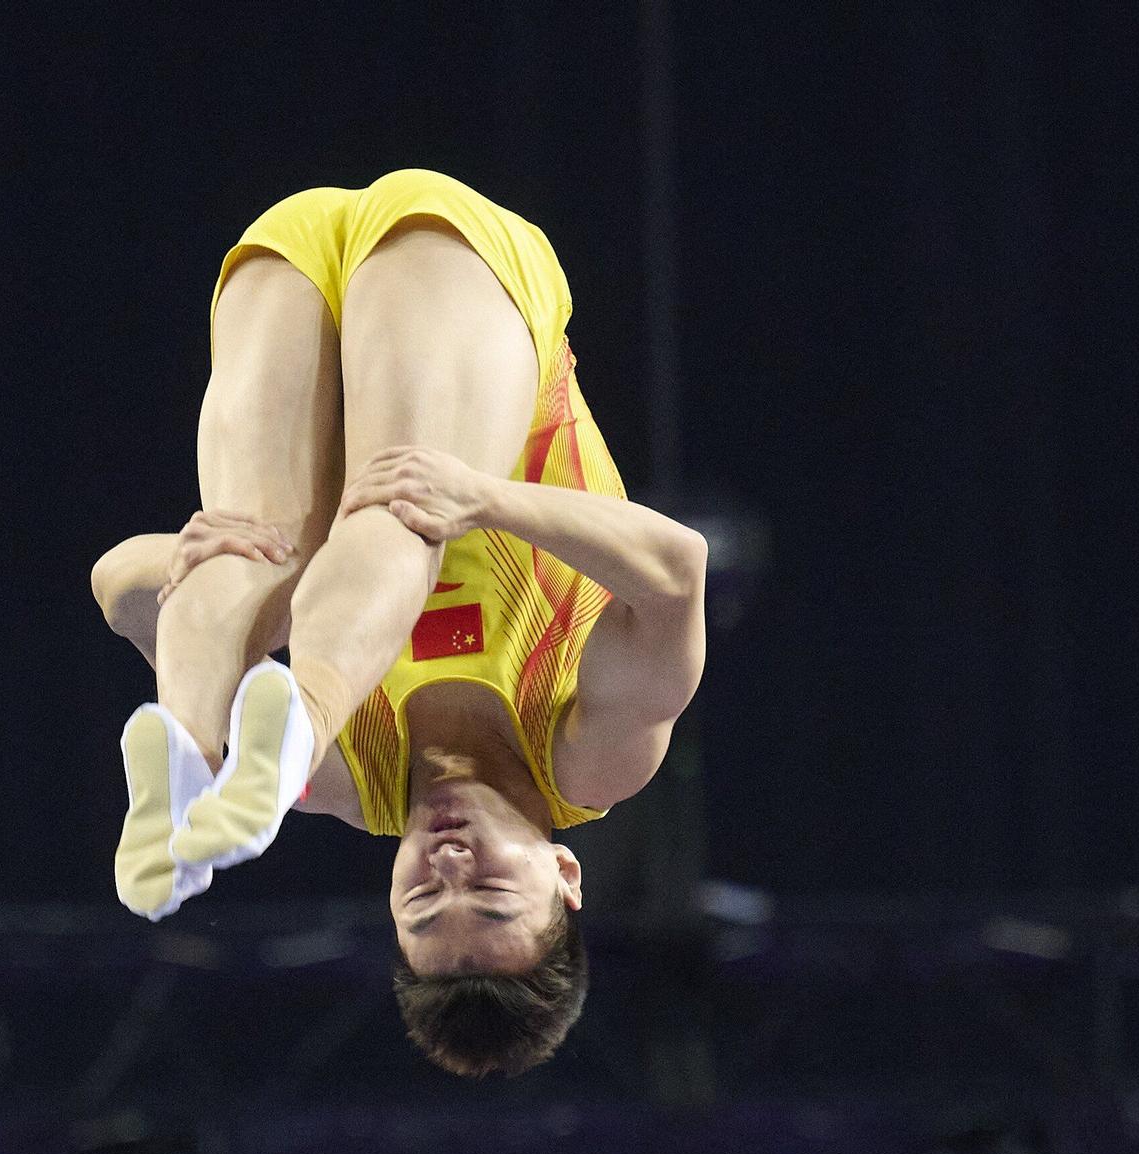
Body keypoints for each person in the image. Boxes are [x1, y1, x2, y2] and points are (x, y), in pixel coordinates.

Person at [88, 170, 707, 1076]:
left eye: (423, 901)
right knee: (400, 521)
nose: (449, 864)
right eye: (490, 893)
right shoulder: (590, 756)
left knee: (246, 558)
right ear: (565, 876)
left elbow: (116, 587)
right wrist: (486, 498)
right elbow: (678, 571)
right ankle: (295, 710)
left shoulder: (350, 783)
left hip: (292, 248)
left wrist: (195, 558)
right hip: (457, 263)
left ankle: (184, 743)